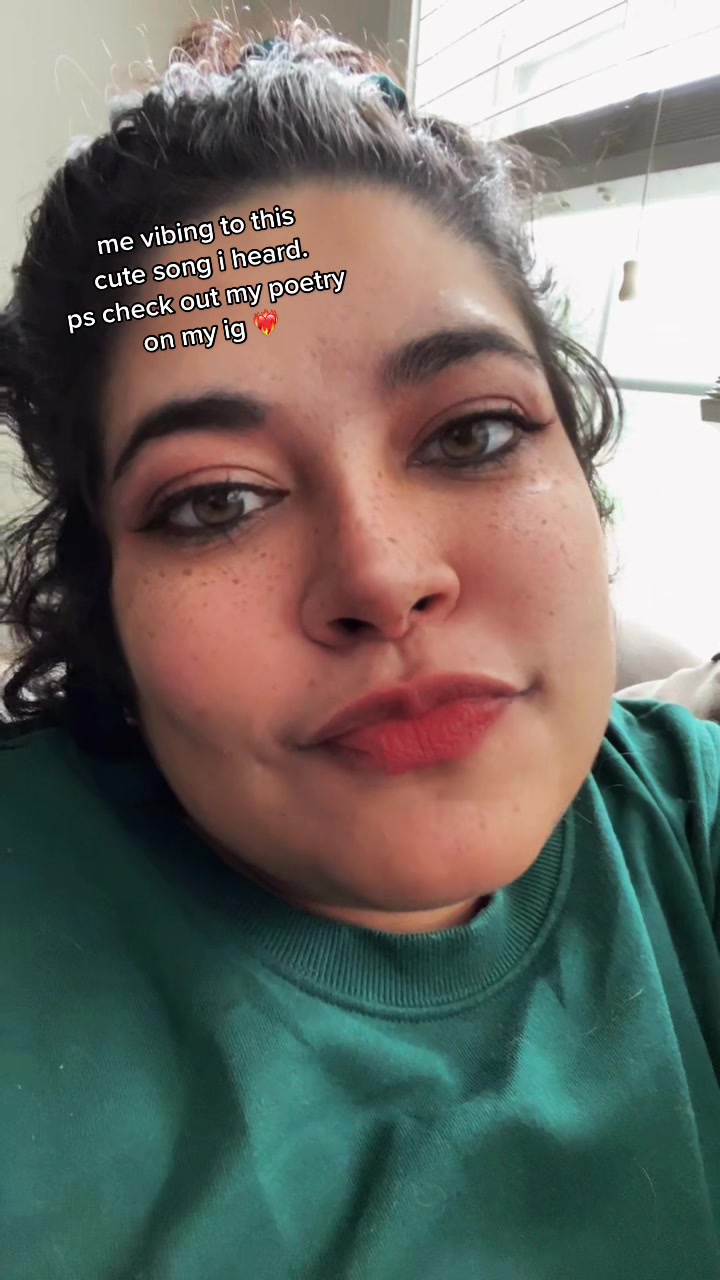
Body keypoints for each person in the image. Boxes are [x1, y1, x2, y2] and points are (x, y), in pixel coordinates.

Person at [1, 17, 720, 1280]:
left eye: (472, 434)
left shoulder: (691, 831)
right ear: (103, 599)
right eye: (216, 500)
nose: (382, 577)